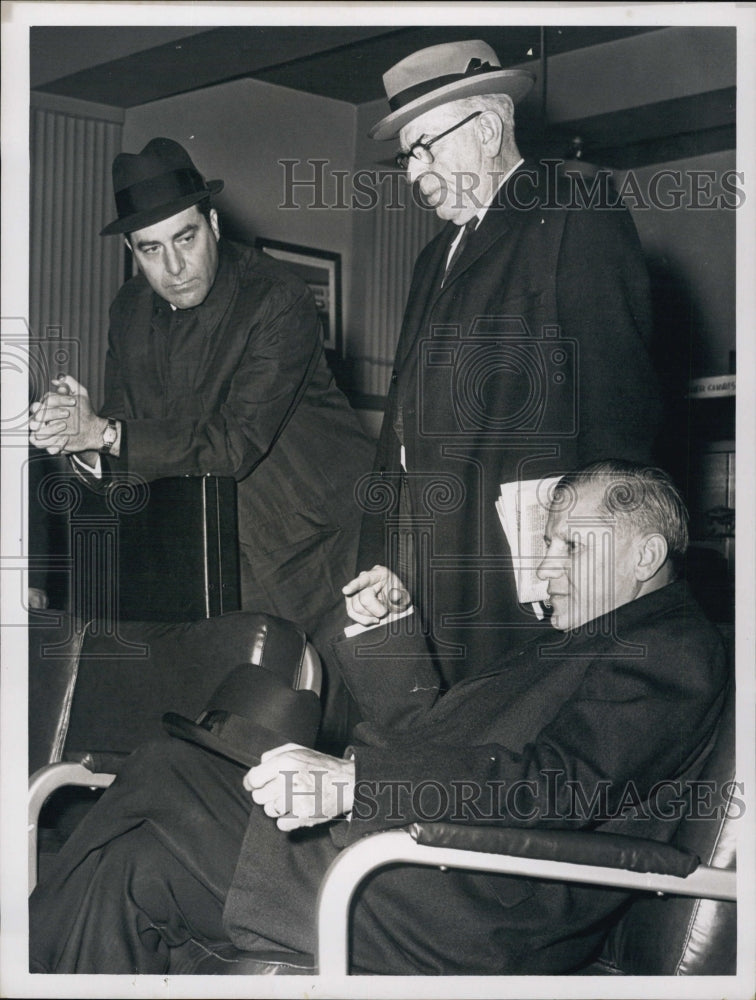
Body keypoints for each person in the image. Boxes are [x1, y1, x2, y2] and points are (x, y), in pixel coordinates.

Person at [29, 460, 728, 975]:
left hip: (476, 905)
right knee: (133, 864)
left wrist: (354, 781)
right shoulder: (580, 642)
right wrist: (395, 635)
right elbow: (440, 737)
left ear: (645, 554)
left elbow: (552, 786)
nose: (545, 571)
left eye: (569, 547)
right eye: (547, 545)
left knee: (169, 764)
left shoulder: (675, 651)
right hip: (430, 861)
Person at [356, 39, 664, 684]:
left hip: (521, 565)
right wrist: (387, 556)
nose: (413, 173)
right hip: (430, 560)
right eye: (406, 155)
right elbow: (403, 427)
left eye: (425, 147)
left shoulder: (573, 205)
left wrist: (587, 564)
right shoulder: (431, 258)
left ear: (489, 128)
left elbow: (617, 408)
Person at [27, 137, 372, 634]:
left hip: (316, 551)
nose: (173, 267)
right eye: (152, 248)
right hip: (199, 556)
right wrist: (75, 436)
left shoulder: (277, 298)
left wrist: (102, 433)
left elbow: (233, 443)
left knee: (318, 706)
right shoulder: (127, 310)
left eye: (185, 239)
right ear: (132, 251)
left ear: (212, 225)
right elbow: (125, 436)